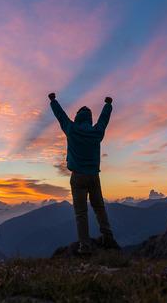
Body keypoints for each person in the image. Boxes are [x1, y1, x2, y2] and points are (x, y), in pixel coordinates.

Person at [48, 92, 118, 254]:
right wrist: (108, 105)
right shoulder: (96, 132)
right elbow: (104, 120)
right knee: (99, 207)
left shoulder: (71, 129)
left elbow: (60, 115)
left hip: (78, 177)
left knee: (81, 213)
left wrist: (53, 100)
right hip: (94, 176)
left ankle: (85, 247)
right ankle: (108, 238)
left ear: (78, 117)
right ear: (89, 119)